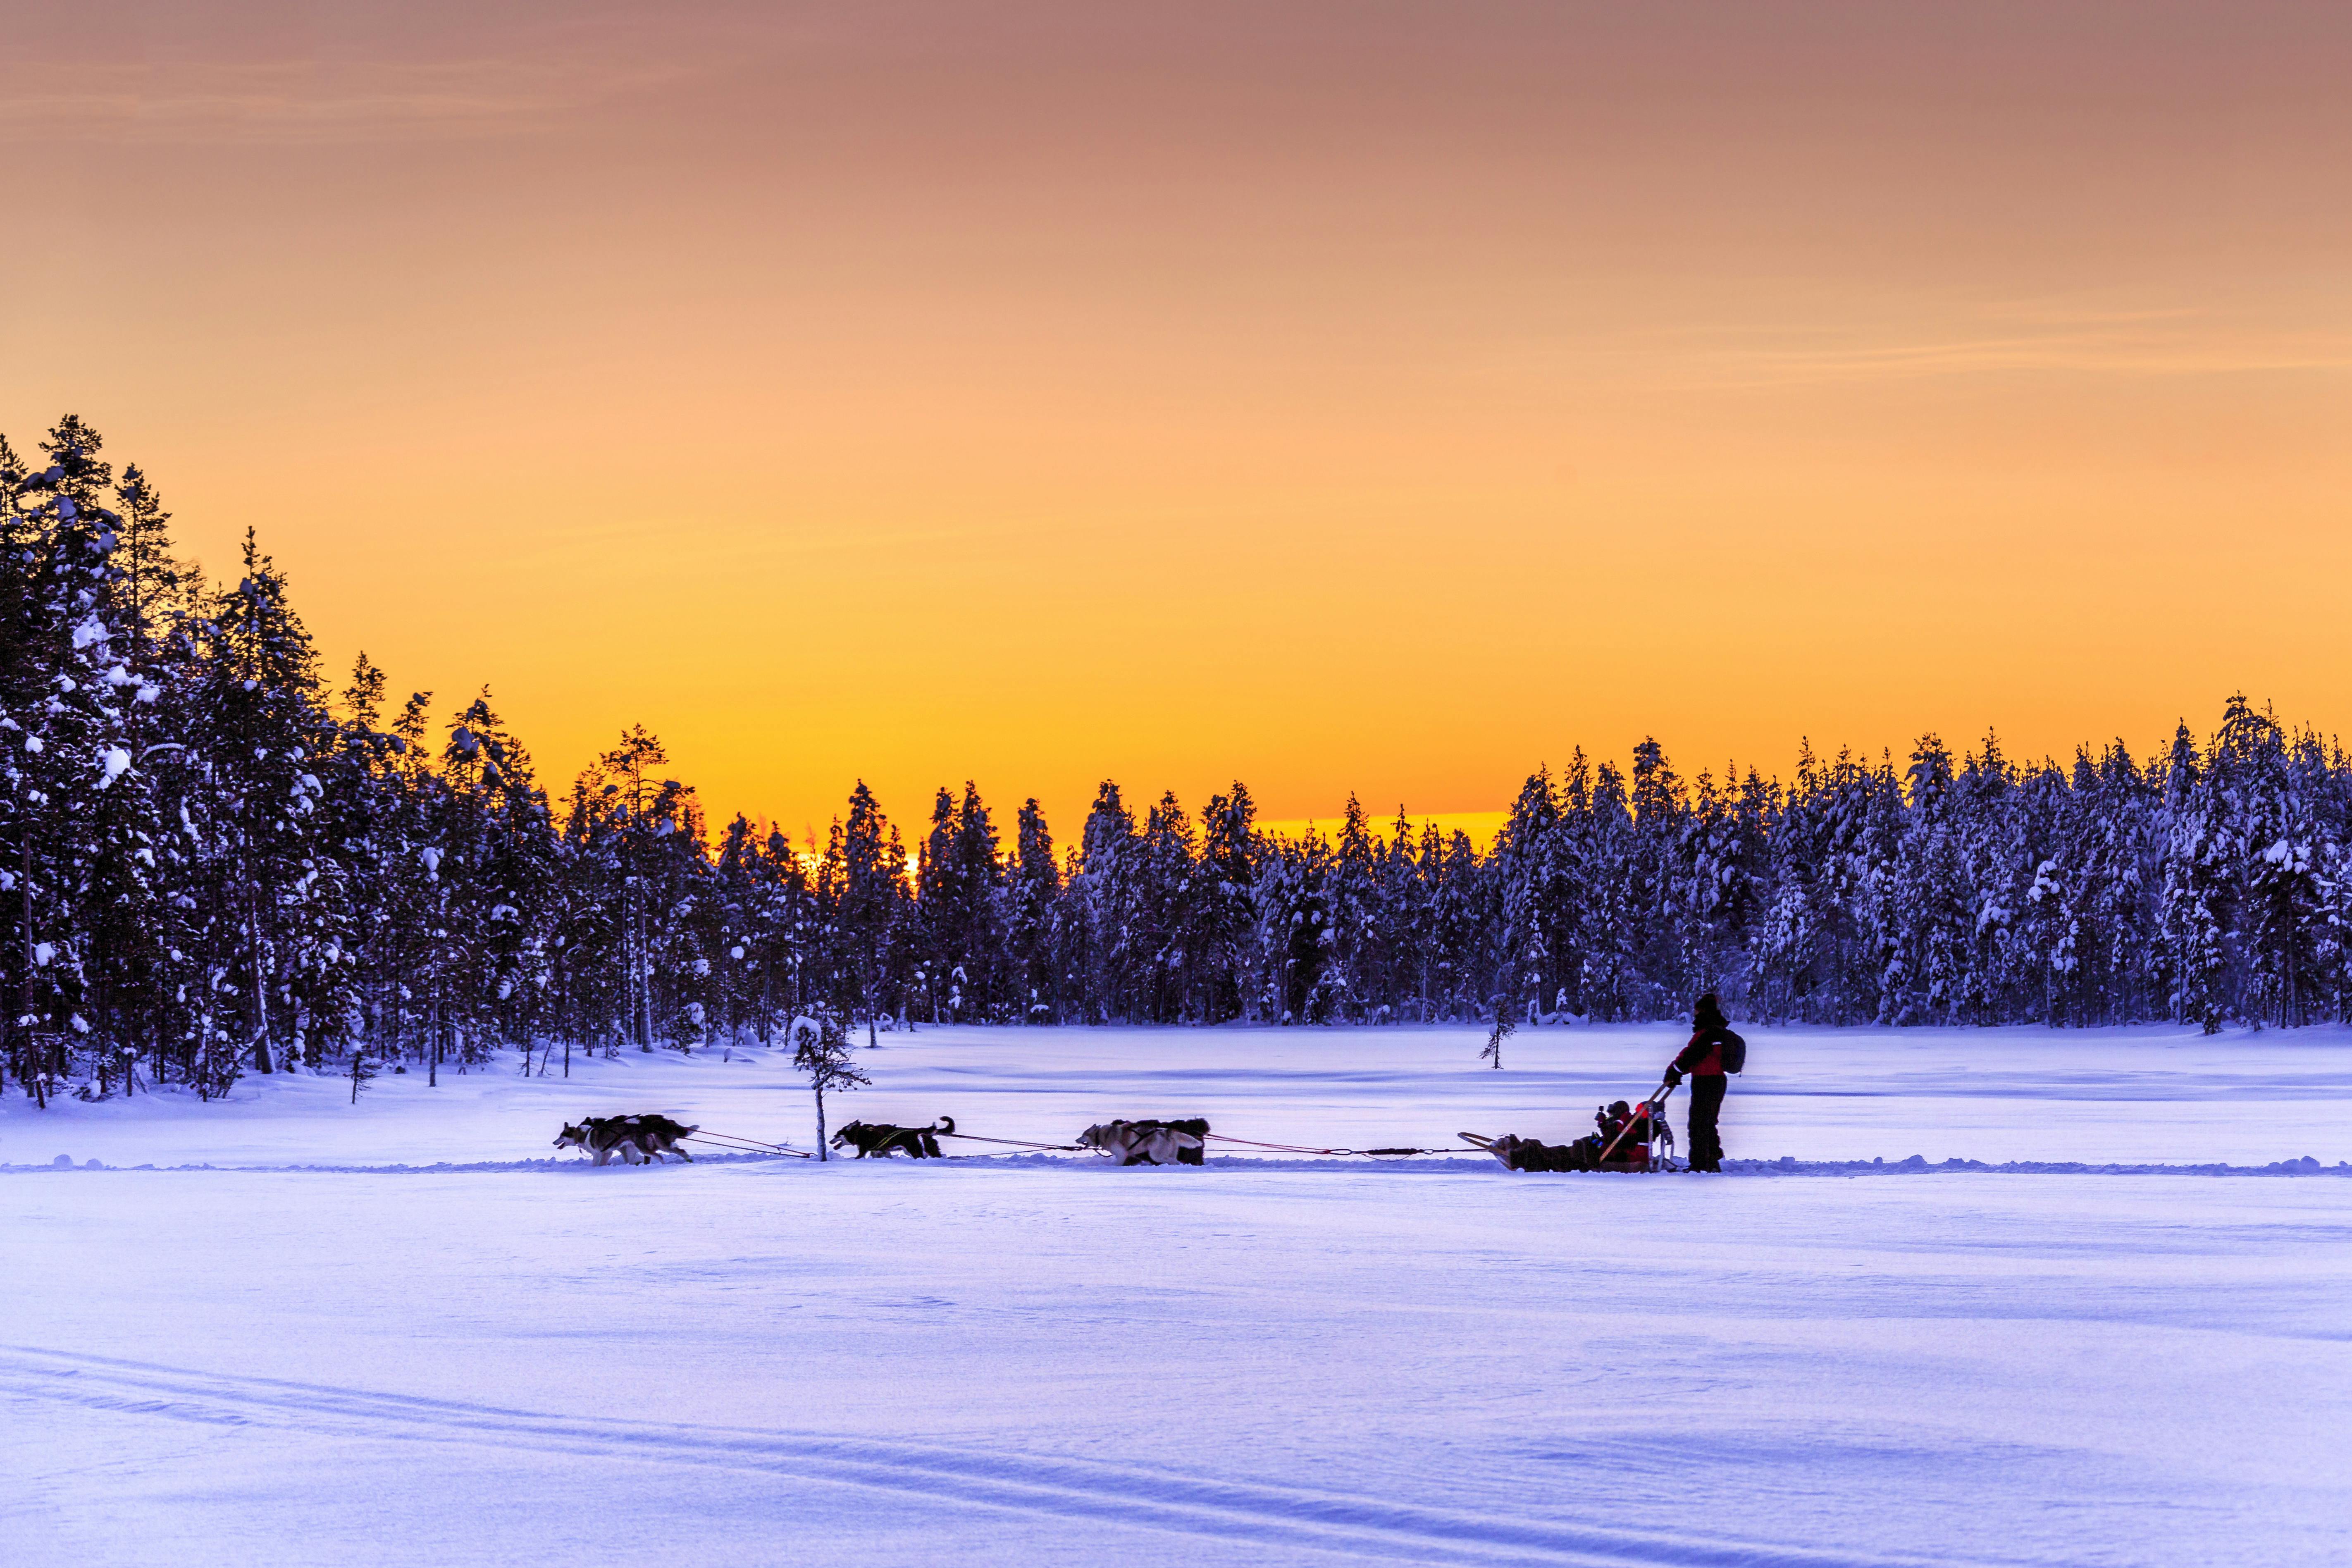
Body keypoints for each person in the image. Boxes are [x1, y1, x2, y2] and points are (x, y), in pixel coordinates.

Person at [1664, 992, 1741, 1172]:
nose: (1694, 1015)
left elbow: (1692, 1055)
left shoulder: (1706, 1033)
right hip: (1717, 1081)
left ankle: (1700, 1164)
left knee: (1698, 1123)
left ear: (1703, 1011)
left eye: (1696, 1011)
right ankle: (1712, 1160)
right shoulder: (1718, 1031)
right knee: (1708, 1122)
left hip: (1705, 1081)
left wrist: (1674, 1071)